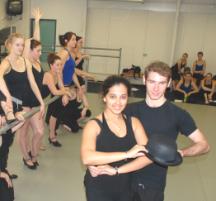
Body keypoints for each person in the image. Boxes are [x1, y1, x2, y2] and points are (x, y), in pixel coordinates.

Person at [124, 61, 210, 201]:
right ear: (144, 80)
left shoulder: (178, 114)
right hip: (124, 177)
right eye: (152, 82)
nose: (156, 88)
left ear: (169, 83)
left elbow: (204, 145)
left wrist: (182, 152)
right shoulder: (129, 109)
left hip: (152, 184)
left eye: (162, 83)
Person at [81, 75, 152, 201]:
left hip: (126, 185)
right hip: (99, 188)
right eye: (113, 97)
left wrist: (116, 170)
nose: (118, 103)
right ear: (104, 97)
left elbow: (149, 156)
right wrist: (127, 154)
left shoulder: (134, 123)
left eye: (123, 97)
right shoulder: (94, 125)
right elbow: (87, 157)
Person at [0, 33, 45, 169]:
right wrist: (7, 96)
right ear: (9, 45)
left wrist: (41, 101)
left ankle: (3, 169)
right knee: (5, 140)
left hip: (17, 105)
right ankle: (3, 171)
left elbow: (32, 83)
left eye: (22, 45)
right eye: (17, 45)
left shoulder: (25, 62)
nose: (20, 48)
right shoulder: (6, 62)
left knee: (8, 141)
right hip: (6, 106)